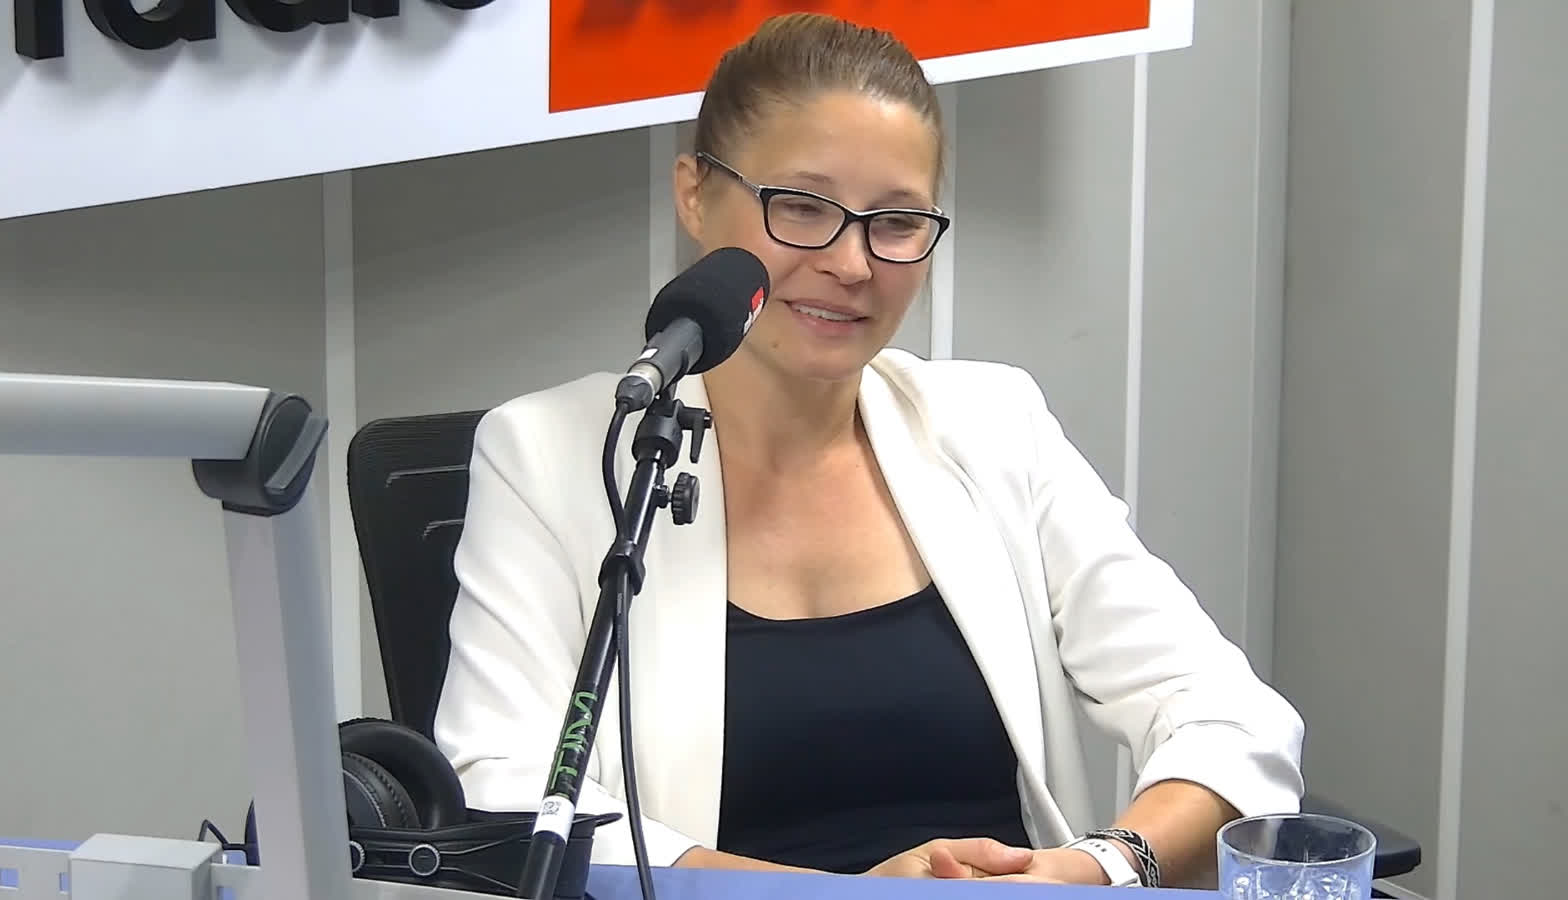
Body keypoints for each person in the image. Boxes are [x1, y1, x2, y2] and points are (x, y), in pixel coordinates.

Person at [433, 12, 1303, 888]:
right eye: (802, 207)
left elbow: (1234, 719)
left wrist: (1099, 866)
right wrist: (848, 896)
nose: (852, 263)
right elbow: (503, 791)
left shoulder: (992, 425)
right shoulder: (548, 456)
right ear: (694, 194)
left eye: (896, 222)